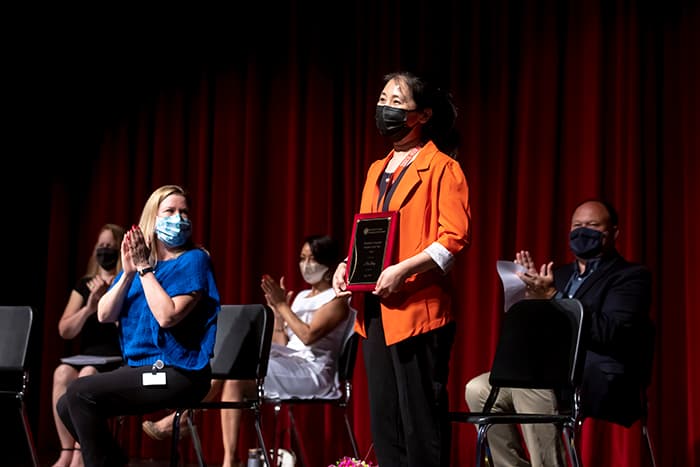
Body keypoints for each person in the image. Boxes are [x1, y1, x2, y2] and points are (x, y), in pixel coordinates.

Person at [332, 71, 472, 467]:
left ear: (422, 115)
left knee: (420, 424)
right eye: (383, 99)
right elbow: (368, 234)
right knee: (385, 423)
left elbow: (453, 240)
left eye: (396, 101)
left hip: (418, 310)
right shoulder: (377, 169)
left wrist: (403, 271)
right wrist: (347, 267)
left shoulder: (444, 168)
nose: (385, 109)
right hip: (375, 309)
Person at [465, 199, 653, 467]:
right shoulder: (560, 274)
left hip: (602, 375)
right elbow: (539, 336)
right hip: (552, 373)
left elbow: (611, 333)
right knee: (478, 389)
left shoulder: (630, 277)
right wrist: (531, 298)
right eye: (577, 225)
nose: (583, 231)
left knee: (532, 383)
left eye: (592, 225)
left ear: (613, 232)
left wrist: (554, 296)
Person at [142, 234, 355, 467]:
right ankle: (214, 443)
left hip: (314, 373)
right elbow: (285, 343)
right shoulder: (303, 296)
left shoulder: (338, 299)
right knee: (230, 362)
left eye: (312, 258)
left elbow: (307, 335)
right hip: (290, 363)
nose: (306, 264)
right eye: (302, 257)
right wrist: (276, 313)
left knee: (237, 373)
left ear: (329, 262)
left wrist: (282, 305)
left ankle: (191, 425)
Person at [57, 184, 220, 467]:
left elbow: (167, 316)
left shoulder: (195, 260)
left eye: (184, 212)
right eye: (169, 211)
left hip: (179, 372)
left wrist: (143, 271)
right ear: (152, 220)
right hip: (142, 369)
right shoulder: (143, 267)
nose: (179, 218)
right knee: (65, 404)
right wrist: (130, 272)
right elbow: (105, 314)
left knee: (79, 392)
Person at [51, 223, 125, 467]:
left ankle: (80, 451)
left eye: (111, 247)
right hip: (87, 356)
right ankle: (65, 451)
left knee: (87, 375)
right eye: (101, 246)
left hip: (115, 360)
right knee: (62, 373)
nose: (105, 250)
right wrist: (89, 309)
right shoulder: (85, 285)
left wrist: (108, 306)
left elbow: (133, 330)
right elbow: (64, 330)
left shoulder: (125, 282)